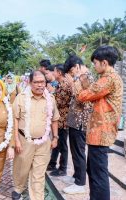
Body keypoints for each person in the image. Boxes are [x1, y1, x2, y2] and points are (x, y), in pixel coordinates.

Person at [76, 46, 122, 200]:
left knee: (98, 174)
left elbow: (84, 95)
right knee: (94, 171)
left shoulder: (108, 79)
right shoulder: (108, 78)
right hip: (98, 132)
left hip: (101, 132)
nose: (94, 66)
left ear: (104, 63)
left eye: (95, 63)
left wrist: (80, 78)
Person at [12, 70, 59, 200]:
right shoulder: (21, 98)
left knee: (38, 174)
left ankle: (37, 197)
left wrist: (55, 137)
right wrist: (16, 140)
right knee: (22, 169)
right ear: (29, 83)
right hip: (24, 140)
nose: (40, 85)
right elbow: (15, 119)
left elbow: (55, 119)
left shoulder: (51, 99)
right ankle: (18, 188)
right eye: (36, 82)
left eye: (42, 82)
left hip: (44, 142)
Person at [62, 55, 94, 194]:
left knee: (79, 152)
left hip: (81, 122)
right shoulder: (80, 77)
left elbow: (82, 98)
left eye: (71, 72)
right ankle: (76, 176)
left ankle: (80, 183)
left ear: (76, 67)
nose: (71, 75)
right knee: (74, 151)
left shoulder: (86, 77)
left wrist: (73, 82)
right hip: (75, 121)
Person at [48, 64, 72, 177]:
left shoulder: (65, 85)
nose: (53, 73)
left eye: (54, 71)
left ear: (59, 73)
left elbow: (60, 102)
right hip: (59, 119)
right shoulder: (60, 84)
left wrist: (52, 93)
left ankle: (63, 168)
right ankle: (52, 163)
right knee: (57, 143)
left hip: (63, 119)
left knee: (62, 145)